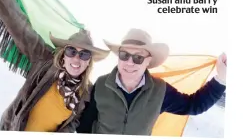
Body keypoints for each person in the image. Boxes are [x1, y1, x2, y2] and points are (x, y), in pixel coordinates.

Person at [0, 0, 109, 132]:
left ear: (89, 62)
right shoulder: (45, 62)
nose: (76, 58)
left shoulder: (87, 94)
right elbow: (23, 31)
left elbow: (74, 123)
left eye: (84, 54)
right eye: (72, 51)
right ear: (64, 55)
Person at [77, 29, 227, 135]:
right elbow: (86, 124)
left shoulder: (160, 90)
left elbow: (193, 105)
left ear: (148, 61)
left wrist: (221, 78)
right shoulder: (101, 83)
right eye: (124, 55)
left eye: (138, 57)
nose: (130, 62)